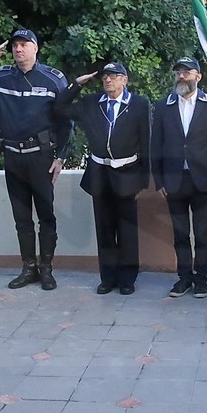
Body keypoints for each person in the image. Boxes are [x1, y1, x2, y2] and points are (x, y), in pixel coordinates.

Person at [0, 29, 71, 290]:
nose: (18, 49)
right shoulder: (0, 77)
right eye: (15, 46)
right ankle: (28, 268)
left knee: (45, 215)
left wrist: (61, 156)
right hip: (13, 157)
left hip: (41, 157)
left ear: (35, 48)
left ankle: (46, 269)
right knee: (21, 217)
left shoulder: (53, 79)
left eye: (24, 44)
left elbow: (66, 120)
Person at [54, 61, 150, 295]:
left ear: (124, 80)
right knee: (104, 229)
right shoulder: (91, 103)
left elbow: (147, 142)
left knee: (127, 230)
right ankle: (107, 278)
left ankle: (127, 279)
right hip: (100, 174)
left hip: (127, 173)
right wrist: (76, 84)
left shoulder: (138, 104)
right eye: (105, 76)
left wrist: (143, 180)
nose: (108, 80)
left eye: (114, 76)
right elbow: (59, 107)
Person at [151, 57, 207, 298]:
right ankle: (184, 278)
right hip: (174, 181)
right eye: (178, 72)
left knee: (202, 234)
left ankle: (201, 279)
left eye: (187, 72)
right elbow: (156, 145)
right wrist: (159, 180)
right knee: (180, 234)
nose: (181, 76)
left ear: (198, 76)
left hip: (203, 181)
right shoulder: (163, 106)